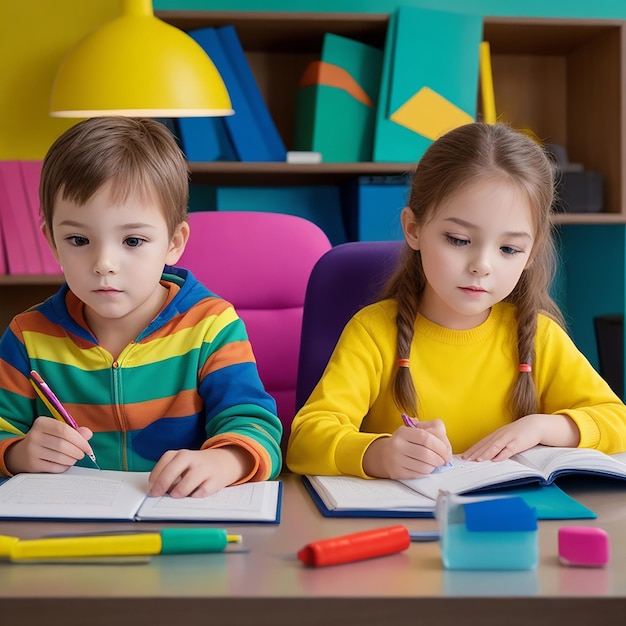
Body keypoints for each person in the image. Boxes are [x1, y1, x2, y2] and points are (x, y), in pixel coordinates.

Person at [287, 122, 626, 480]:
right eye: (459, 240)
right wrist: (378, 454)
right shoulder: (373, 332)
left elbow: (616, 420)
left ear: (531, 254)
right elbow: (305, 440)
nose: (482, 265)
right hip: (405, 528)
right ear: (414, 229)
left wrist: (542, 428)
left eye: (509, 249)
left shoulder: (539, 336)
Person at [0, 116, 282, 497]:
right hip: (68, 528)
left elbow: (257, 426)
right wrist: (18, 453)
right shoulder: (26, 336)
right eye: (78, 240)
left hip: (181, 517)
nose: (104, 263)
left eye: (132, 241)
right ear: (52, 241)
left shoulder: (211, 326)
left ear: (174, 242)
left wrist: (224, 460)